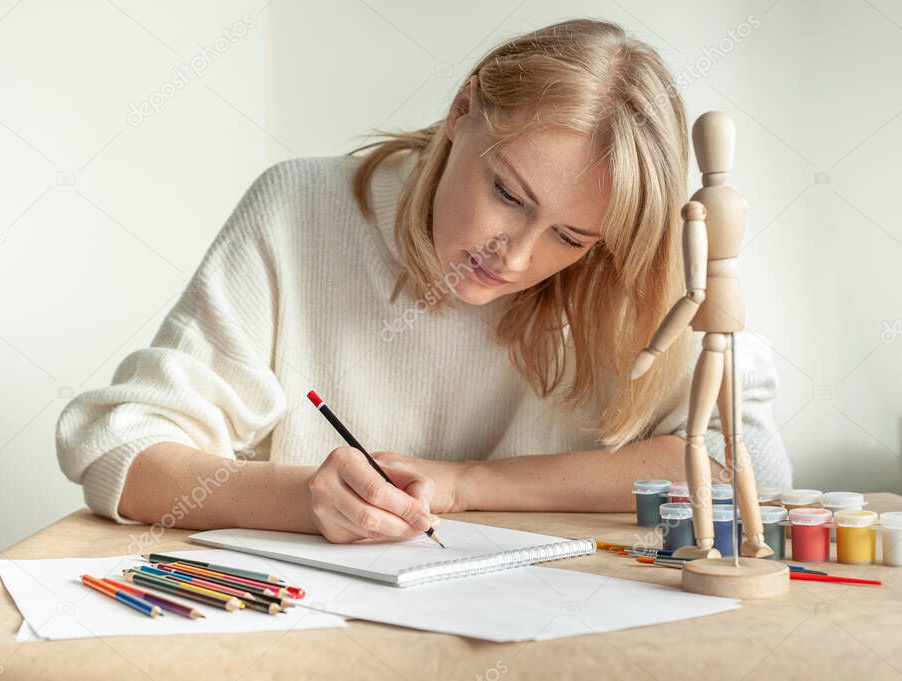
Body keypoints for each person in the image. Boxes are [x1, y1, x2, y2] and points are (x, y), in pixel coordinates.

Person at [56, 19, 791, 545]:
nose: (516, 255)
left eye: (569, 236)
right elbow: (119, 452)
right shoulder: (300, 210)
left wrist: (469, 482)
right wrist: (307, 498)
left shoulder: (636, 268)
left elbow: (745, 462)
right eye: (508, 193)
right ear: (462, 111)